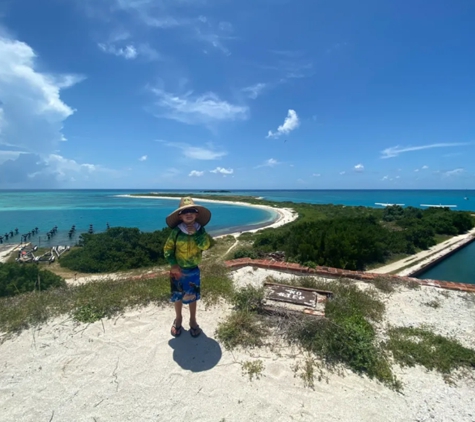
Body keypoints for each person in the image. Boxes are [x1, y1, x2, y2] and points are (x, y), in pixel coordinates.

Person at [163, 197, 212, 338]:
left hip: (193, 269)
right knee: (177, 296)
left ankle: (193, 320)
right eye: (185, 211)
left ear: (196, 214)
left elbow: (205, 246)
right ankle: (178, 318)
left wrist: (196, 234)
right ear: (180, 215)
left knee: (192, 296)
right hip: (177, 270)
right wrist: (173, 265)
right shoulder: (176, 232)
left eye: (192, 210)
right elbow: (168, 249)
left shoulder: (200, 230)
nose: (188, 213)